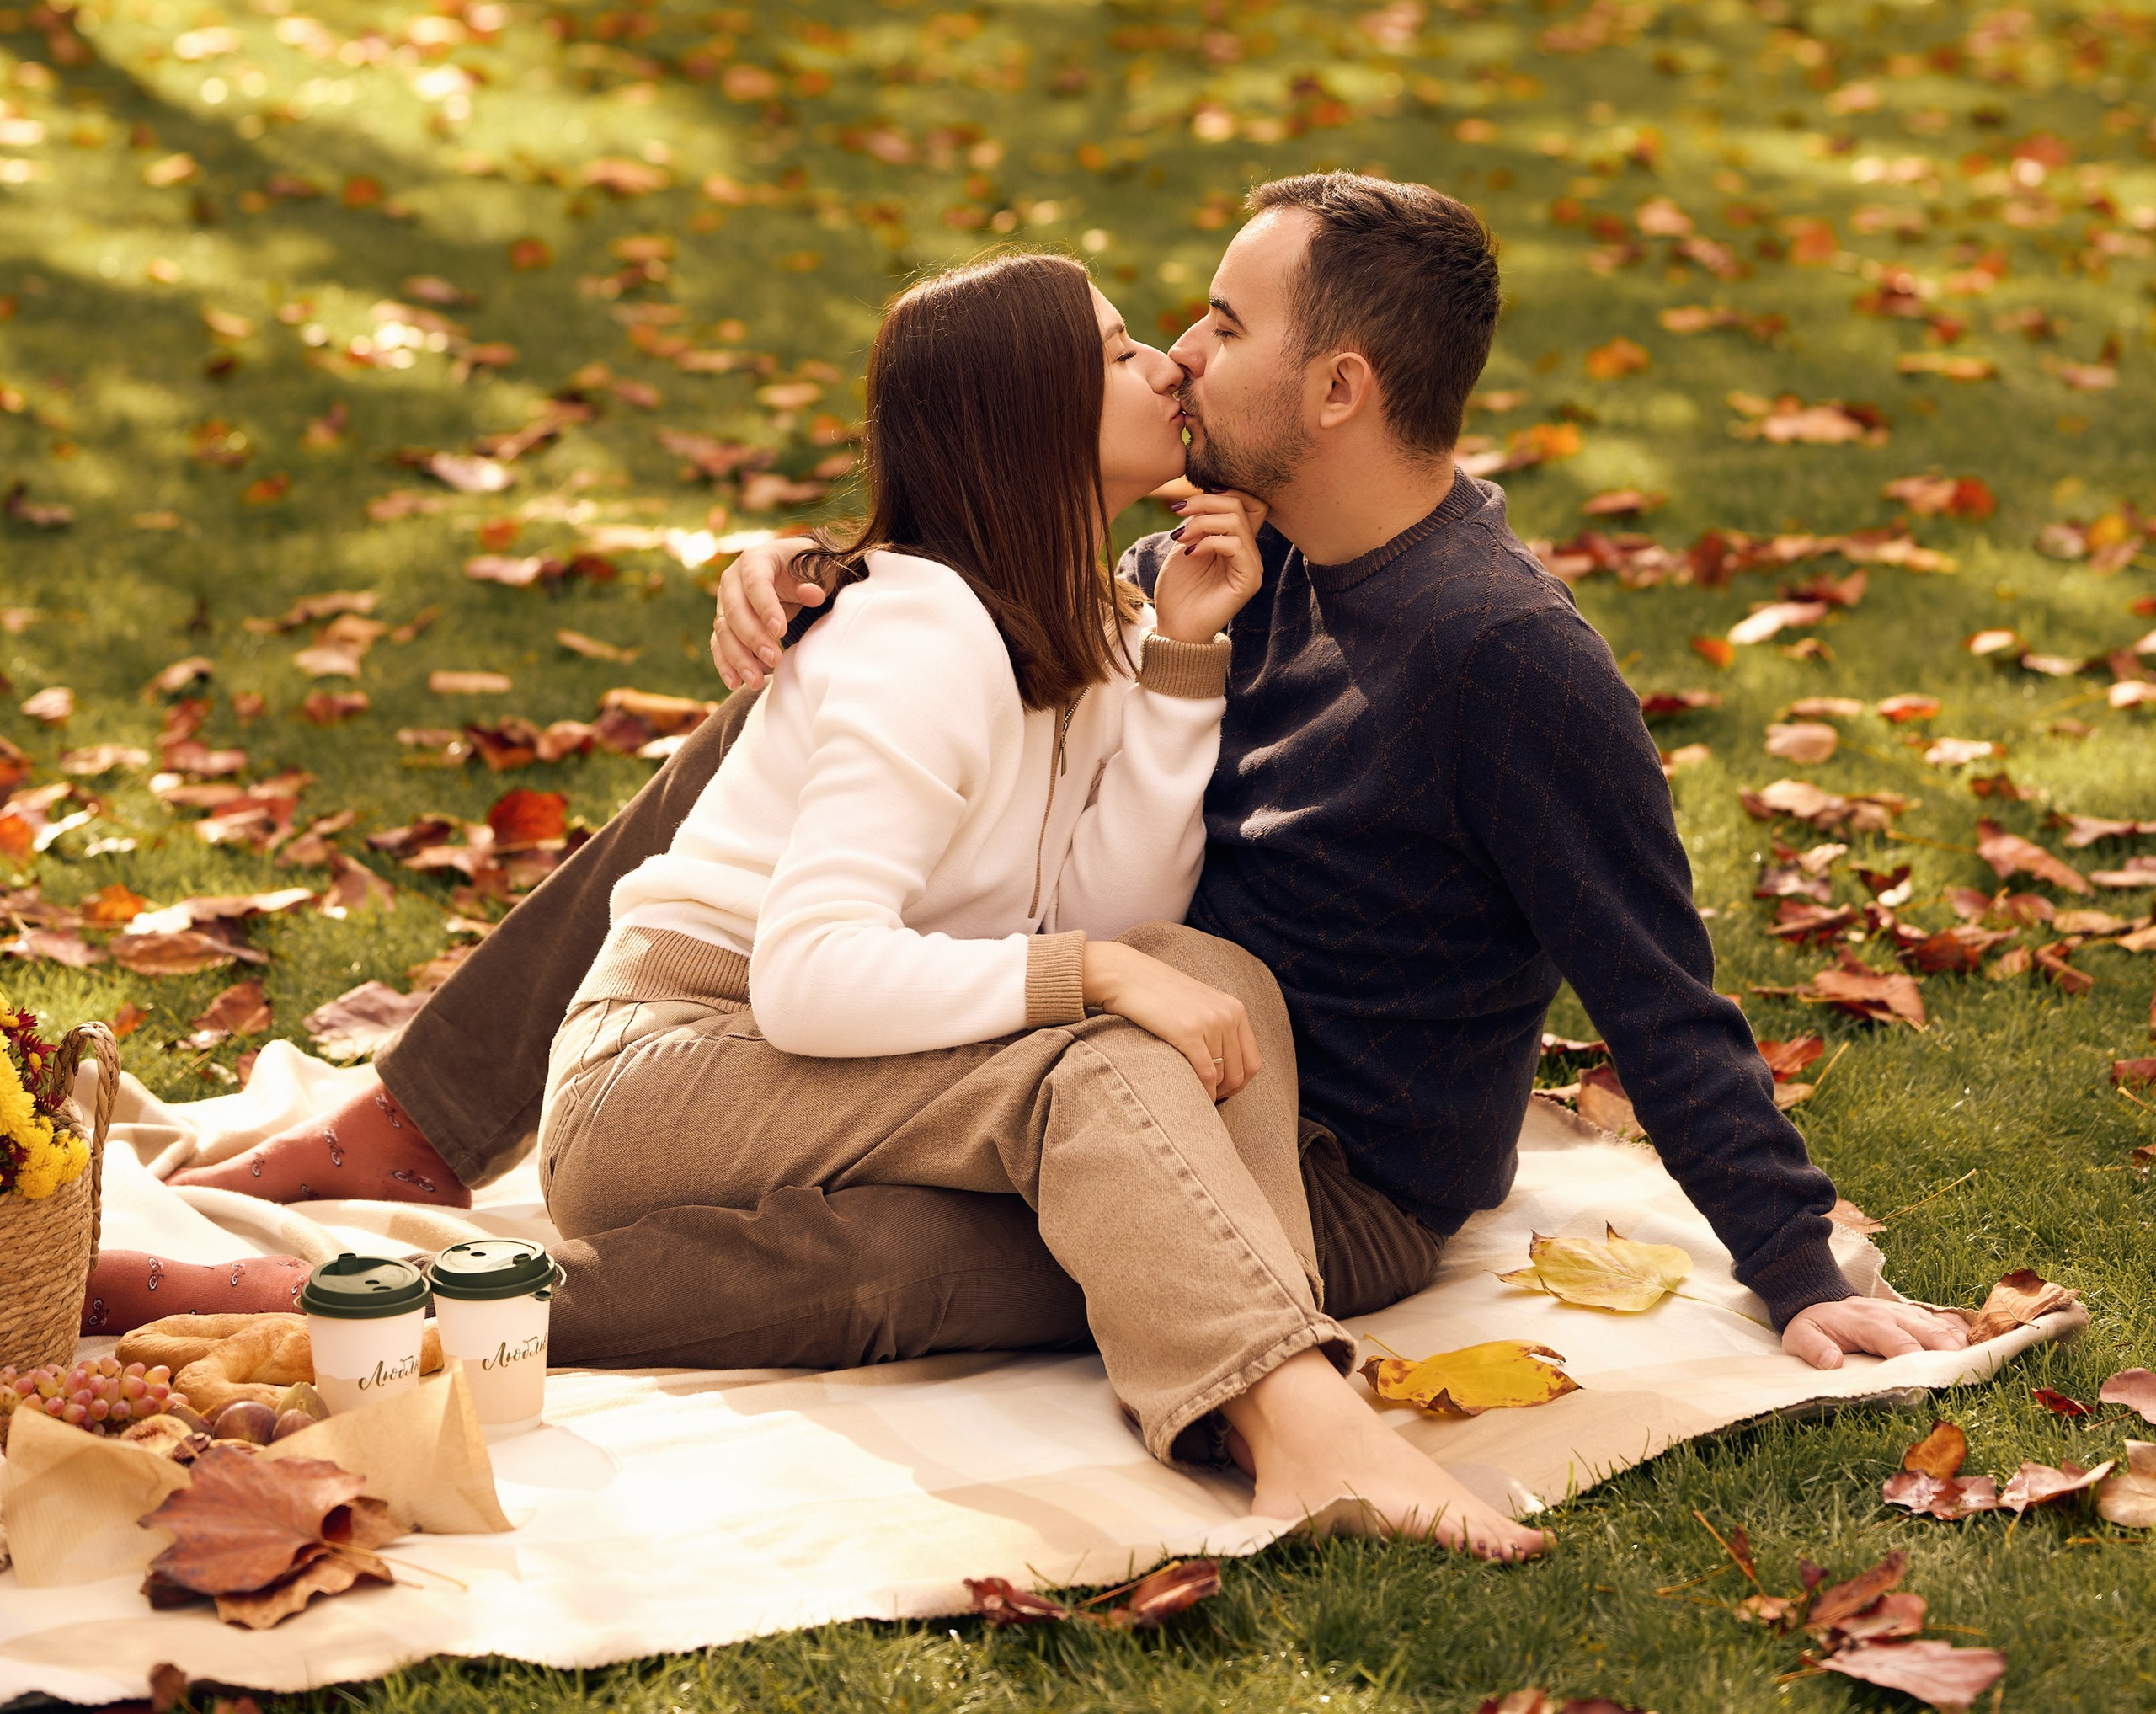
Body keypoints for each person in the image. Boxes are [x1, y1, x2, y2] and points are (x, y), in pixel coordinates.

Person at [148, 173, 1963, 1393]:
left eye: (1221, 327)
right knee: (798, 687)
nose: (1179, 353)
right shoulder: (1235, 555)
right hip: (1102, 1047)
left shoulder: (1500, 657)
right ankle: (426, 1111)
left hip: (1310, 1169)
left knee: (885, 1271)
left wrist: (1793, 1256)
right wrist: (813, 572)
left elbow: (1658, 983)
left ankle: (372, 1312)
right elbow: (979, 648)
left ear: (1333, 386)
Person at [530, 245, 1535, 1551]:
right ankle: (1304, 1423)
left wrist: (1177, 663)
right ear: (1029, 416)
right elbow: (810, 975)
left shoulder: (1090, 620)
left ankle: (1266, 1362)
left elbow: (1110, 905)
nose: (1169, 362)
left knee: (1212, 979)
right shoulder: (920, 631)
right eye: (1118, 354)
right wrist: (1092, 981)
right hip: (668, 1073)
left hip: (821, 1077)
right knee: (1096, 1065)